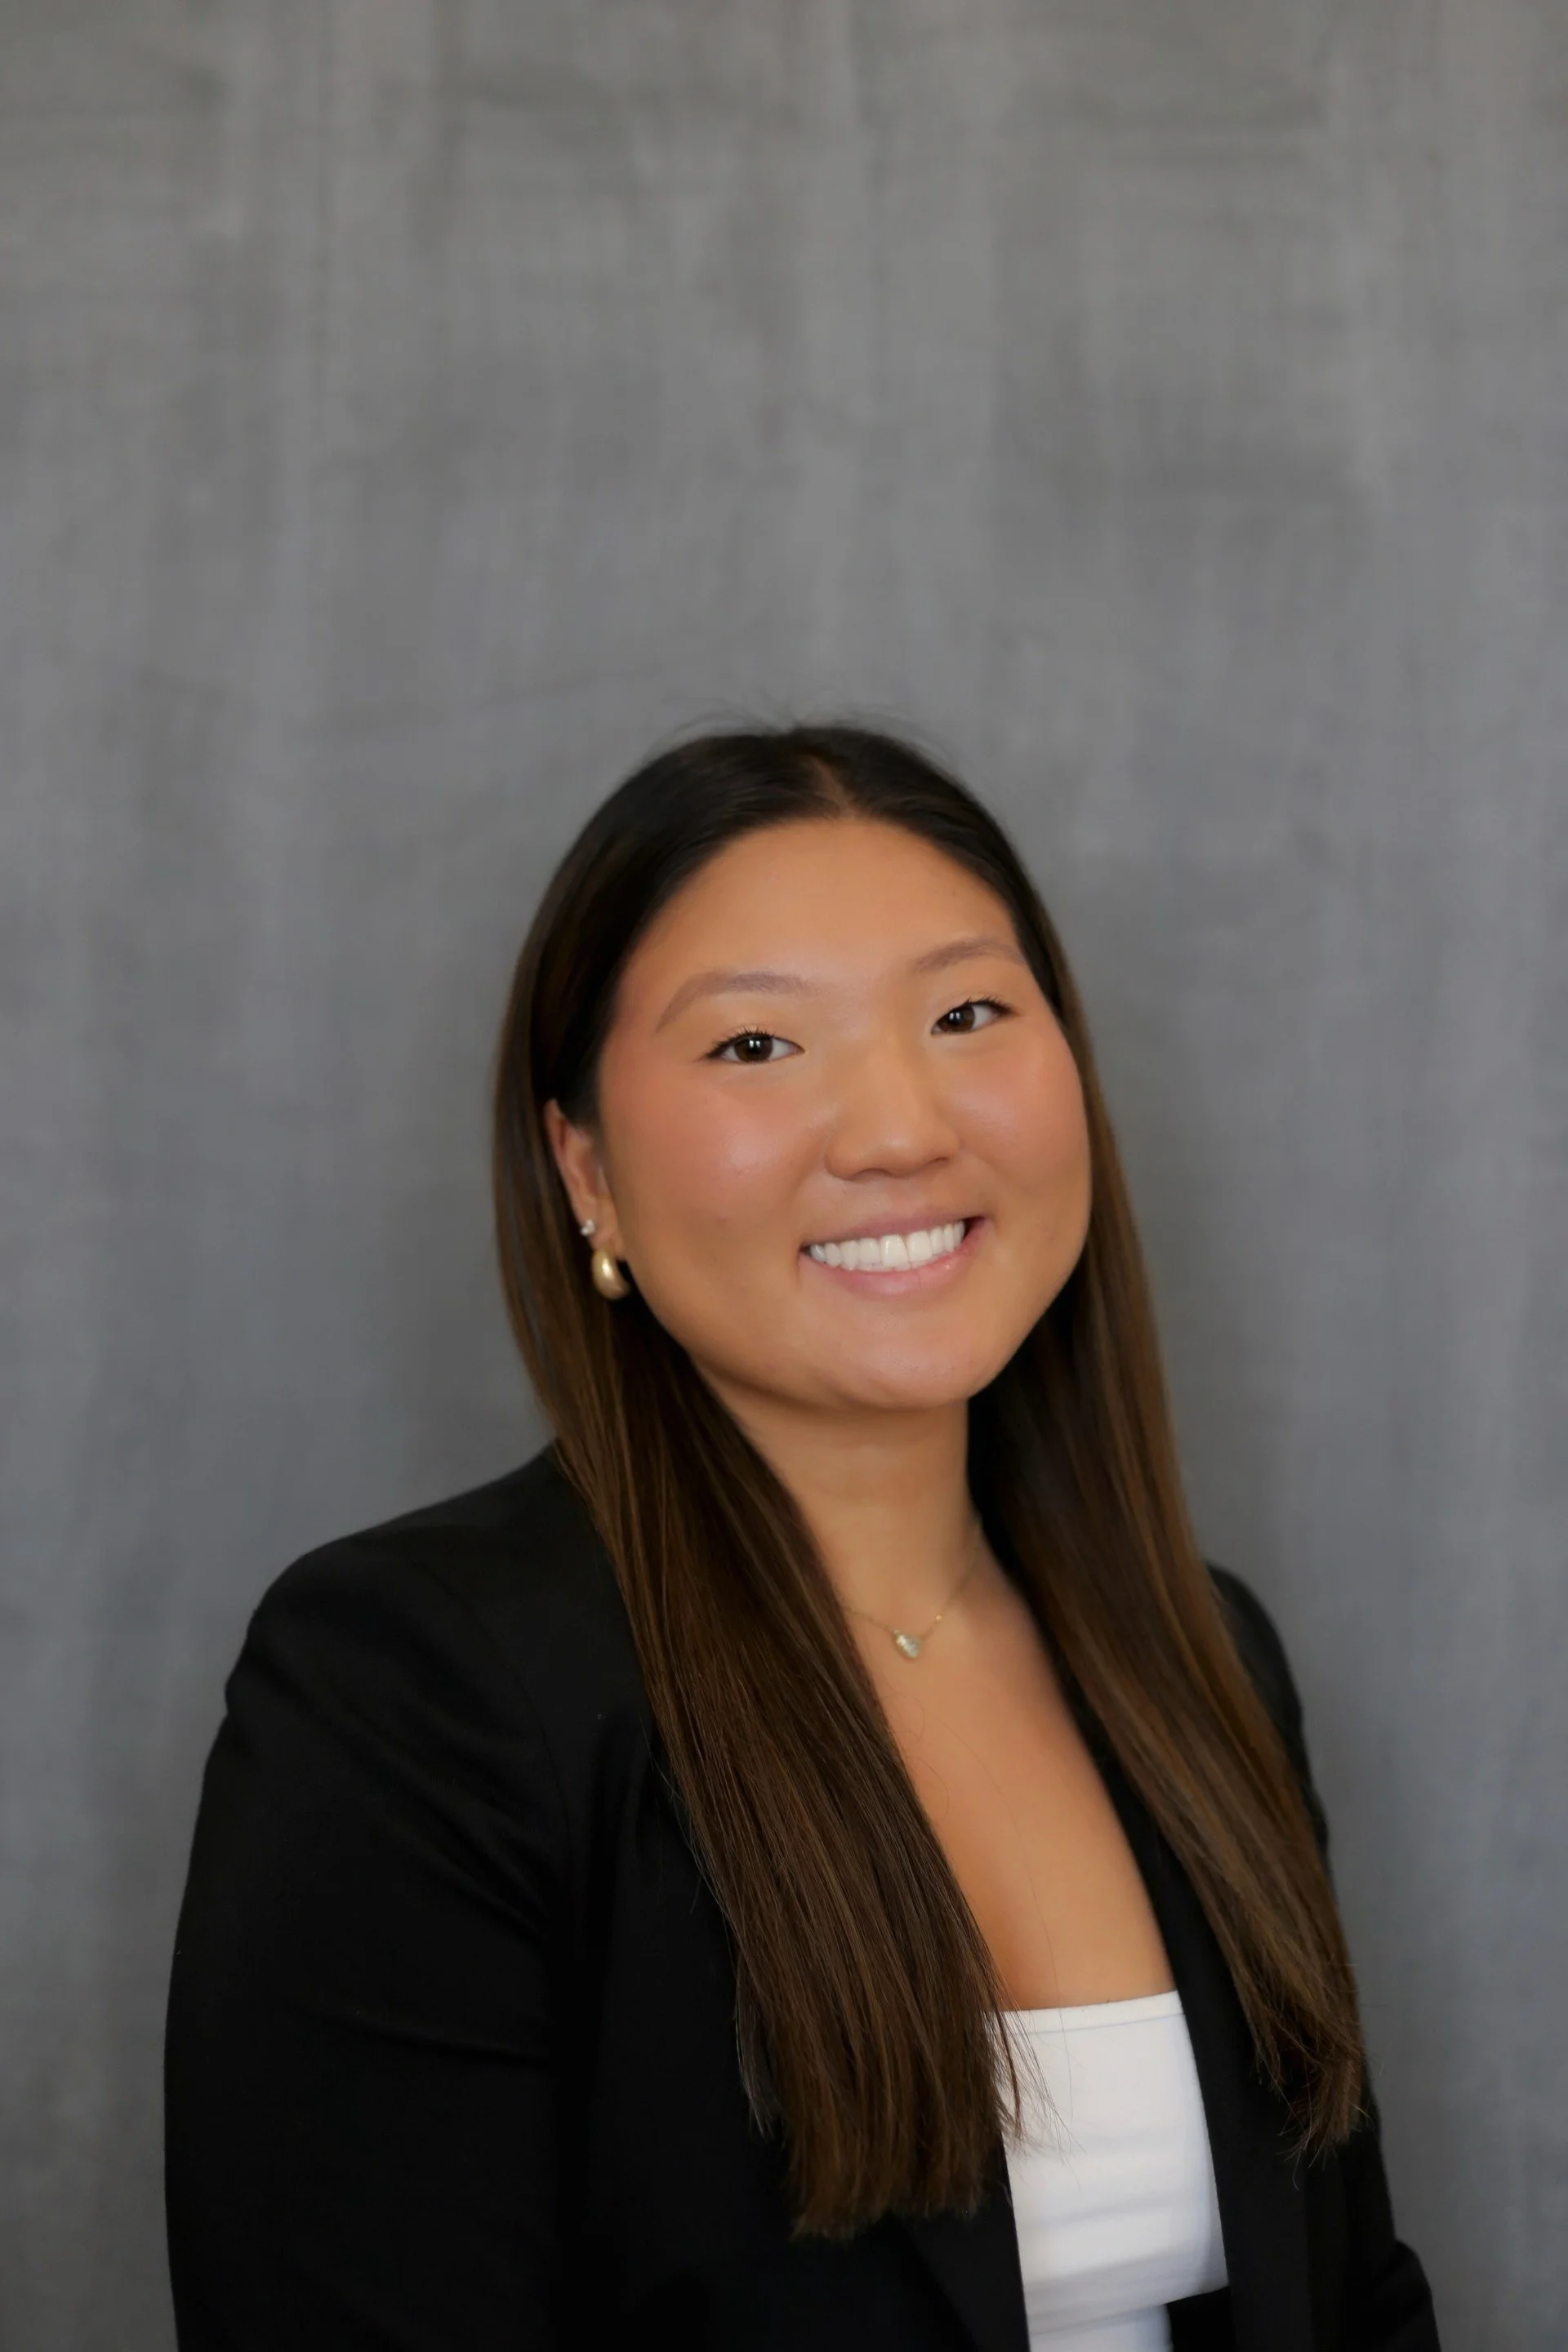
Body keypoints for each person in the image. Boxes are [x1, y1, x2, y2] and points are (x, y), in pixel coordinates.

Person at [164, 724, 1439, 2351]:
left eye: (968, 1015)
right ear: (584, 1170)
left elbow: (1355, 2307)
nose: (899, 1128)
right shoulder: (416, 1695)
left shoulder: (1202, 1656)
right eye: (757, 1045)